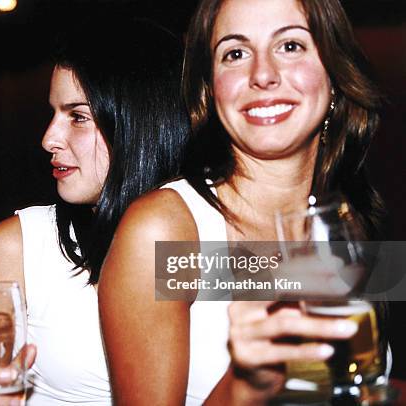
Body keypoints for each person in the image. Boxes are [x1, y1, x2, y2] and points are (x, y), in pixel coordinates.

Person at [98, 0, 387, 404]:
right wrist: (245, 385)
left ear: (336, 76)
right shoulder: (165, 231)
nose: (263, 75)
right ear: (211, 89)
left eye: (290, 46)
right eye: (235, 53)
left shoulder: (348, 222)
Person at [0, 19, 192, 405]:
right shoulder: (20, 245)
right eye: (54, 113)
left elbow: (306, 380)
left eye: (77, 116)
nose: (48, 139)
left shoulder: (222, 234)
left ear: (139, 122)